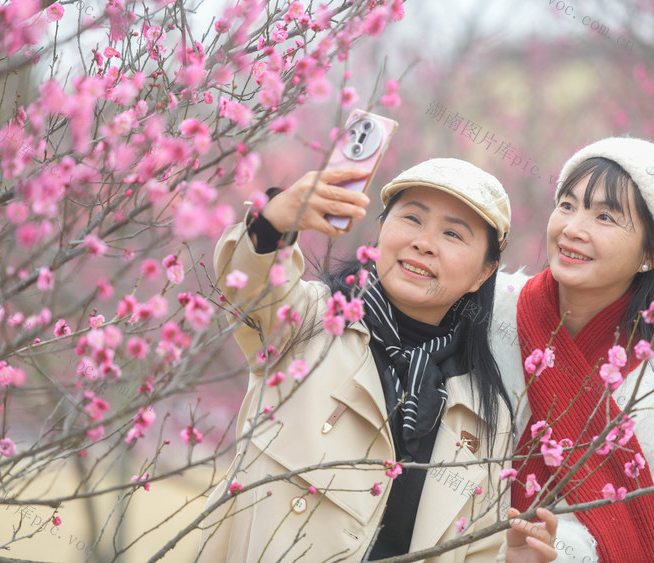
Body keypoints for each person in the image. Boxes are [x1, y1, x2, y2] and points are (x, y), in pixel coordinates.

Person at [198, 159, 559, 562]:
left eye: (453, 233)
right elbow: (250, 283)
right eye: (411, 219)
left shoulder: (483, 414)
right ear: (382, 229)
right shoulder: (311, 321)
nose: (424, 242)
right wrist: (272, 222)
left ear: (484, 272)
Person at [490, 137, 654, 563]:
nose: (572, 228)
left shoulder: (650, 388)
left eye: (605, 216)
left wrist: (548, 549)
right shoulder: (494, 307)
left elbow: (608, 530)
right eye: (567, 205)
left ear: (651, 253)